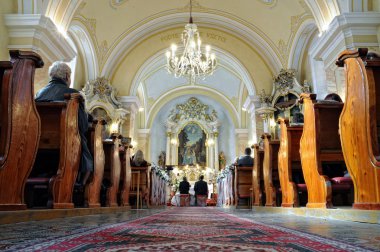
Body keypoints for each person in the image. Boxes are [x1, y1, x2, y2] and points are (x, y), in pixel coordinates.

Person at [35, 61, 93, 187]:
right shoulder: (73, 95)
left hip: (38, 145)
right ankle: (80, 184)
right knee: (84, 144)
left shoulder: (38, 94)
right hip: (67, 143)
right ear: (67, 76)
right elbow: (82, 126)